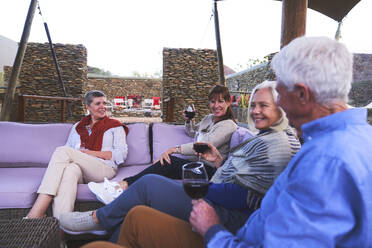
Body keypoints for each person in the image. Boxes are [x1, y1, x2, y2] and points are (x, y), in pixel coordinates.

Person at [100, 36, 372, 248]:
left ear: (301, 94)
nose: (281, 102)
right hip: (237, 226)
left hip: (228, 232)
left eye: (281, 92)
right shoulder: (356, 139)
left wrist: (212, 228)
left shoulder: (325, 162)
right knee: (135, 218)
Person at [59, 80, 301, 243]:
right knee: (141, 204)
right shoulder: (266, 136)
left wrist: (199, 187)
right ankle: (104, 235)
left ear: (282, 108)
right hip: (215, 184)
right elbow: (200, 138)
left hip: (226, 210)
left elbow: (249, 196)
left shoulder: (274, 144)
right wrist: (218, 161)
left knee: (150, 183)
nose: (256, 111)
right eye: (254, 105)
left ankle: (98, 218)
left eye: (264, 106)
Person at [88, 85, 238, 204]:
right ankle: (118, 188)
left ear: (228, 103)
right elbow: (193, 133)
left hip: (210, 170)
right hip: (195, 164)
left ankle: (120, 186)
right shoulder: (209, 119)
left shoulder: (228, 125)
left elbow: (204, 144)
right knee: (162, 163)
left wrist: (174, 149)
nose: (216, 105)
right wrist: (188, 121)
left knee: (168, 160)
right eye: (213, 101)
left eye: (221, 101)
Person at [26, 90, 129, 219]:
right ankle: (61, 227)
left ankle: (38, 209)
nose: (103, 107)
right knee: (70, 170)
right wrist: (80, 155)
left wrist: (90, 153)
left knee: (62, 151)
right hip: (81, 169)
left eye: (104, 103)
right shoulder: (78, 127)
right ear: (88, 106)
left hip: (104, 168)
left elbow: (121, 154)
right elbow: (69, 151)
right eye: (98, 103)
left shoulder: (115, 126)